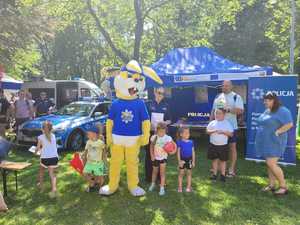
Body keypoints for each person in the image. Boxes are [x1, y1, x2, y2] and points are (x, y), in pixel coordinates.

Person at [255, 92, 293, 195]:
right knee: (270, 164)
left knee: (271, 163)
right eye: (264, 100)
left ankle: (283, 187)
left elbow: (289, 124)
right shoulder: (268, 110)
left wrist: (278, 131)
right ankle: (271, 185)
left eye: (267, 100)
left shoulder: (283, 110)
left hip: (276, 141)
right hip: (266, 141)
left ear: (274, 100)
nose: (264, 102)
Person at [210, 80, 244, 177]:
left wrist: (228, 109)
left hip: (231, 127)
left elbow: (240, 111)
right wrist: (210, 122)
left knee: (232, 148)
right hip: (217, 127)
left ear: (231, 86)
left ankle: (231, 169)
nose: (224, 87)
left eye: (227, 86)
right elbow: (213, 110)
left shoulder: (236, 97)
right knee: (217, 146)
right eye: (223, 86)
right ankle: (218, 168)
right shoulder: (218, 97)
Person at [145, 87, 171, 182]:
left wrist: (164, 124)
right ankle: (149, 177)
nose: (161, 95)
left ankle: (160, 177)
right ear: (155, 92)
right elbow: (144, 119)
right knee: (149, 154)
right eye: (159, 93)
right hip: (151, 133)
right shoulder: (148, 104)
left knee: (160, 154)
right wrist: (149, 125)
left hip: (161, 135)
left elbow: (169, 120)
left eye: (163, 94)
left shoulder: (166, 105)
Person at [148, 122, 176, 196]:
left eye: (163, 132)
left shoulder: (167, 138)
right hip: (155, 158)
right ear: (157, 130)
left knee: (162, 173)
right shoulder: (154, 137)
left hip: (163, 158)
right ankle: (153, 184)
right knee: (154, 172)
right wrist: (152, 155)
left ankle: (162, 187)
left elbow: (174, 144)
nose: (162, 133)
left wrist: (174, 151)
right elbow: (151, 146)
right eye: (160, 132)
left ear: (165, 131)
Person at [207, 108, 233, 182]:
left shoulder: (227, 123)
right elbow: (207, 131)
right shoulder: (212, 123)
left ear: (224, 115)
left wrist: (223, 132)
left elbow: (231, 134)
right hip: (213, 145)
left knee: (223, 161)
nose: (217, 115)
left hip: (223, 145)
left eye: (219, 113)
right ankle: (214, 174)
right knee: (214, 160)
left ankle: (223, 175)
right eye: (216, 113)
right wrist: (213, 131)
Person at [36, 121, 59, 198]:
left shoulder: (40, 137)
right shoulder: (53, 136)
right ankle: (54, 189)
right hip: (54, 157)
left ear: (42, 129)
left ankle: (41, 186)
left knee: (41, 170)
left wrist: (35, 151)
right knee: (52, 174)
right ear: (51, 129)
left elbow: (38, 149)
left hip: (45, 158)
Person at [82, 126, 106, 192]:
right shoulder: (88, 142)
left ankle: (101, 187)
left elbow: (104, 153)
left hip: (98, 163)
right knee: (85, 173)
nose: (87, 135)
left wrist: (105, 162)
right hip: (89, 162)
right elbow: (86, 150)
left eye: (88, 134)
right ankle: (91, 183)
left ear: (94, 134)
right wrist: (83, 154)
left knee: (100, 177)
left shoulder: (100, 143)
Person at [176, 127, 195, 192]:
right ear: (181, 134)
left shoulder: (191, 142)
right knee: (181, 173)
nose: (188, 134)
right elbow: (178, 152)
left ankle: (188, 187)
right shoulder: (179, 142)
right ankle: (180, 188)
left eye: (188, 133)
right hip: (182, 160)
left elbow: (193, 152)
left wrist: (193, 161)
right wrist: (179, 162)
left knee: (189, 173)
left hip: (189, 160)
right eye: (186, 133)